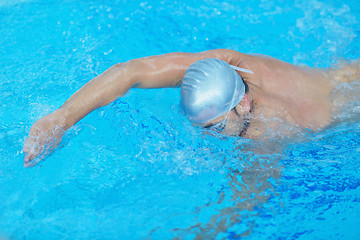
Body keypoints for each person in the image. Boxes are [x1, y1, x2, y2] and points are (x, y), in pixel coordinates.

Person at [22, 49, 359, 167]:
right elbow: (131, 71)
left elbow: (248, 205)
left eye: (213, 127)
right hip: (343, 72)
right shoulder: (231, 64)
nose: (207, 136)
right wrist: (59, 119)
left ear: (242, 104)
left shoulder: (267, 133)